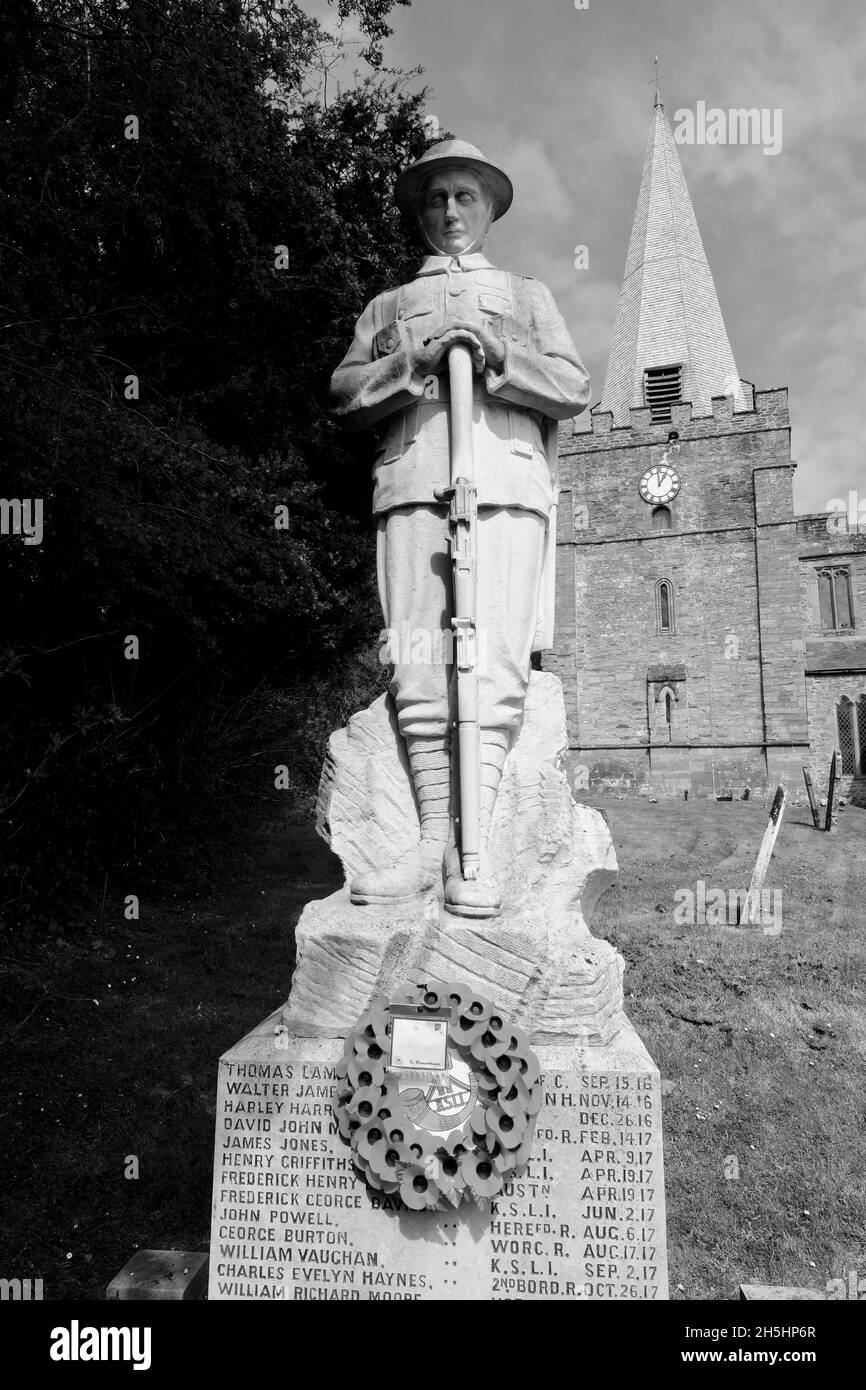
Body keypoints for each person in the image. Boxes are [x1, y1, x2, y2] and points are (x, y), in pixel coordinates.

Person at [329, 139, 590, 917]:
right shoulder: (386, 307)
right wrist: (411, 360)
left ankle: (475, 850)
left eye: (465, 198)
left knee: (496, 664)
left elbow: (572, 385)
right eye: (436, 198)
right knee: (416, 666)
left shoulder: (526, 293)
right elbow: (345, 393)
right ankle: (425, 844)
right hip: (413, 485)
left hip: (505, 483)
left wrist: (498, 352)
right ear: (418, 211)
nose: (450, 212)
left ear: (489, 209)